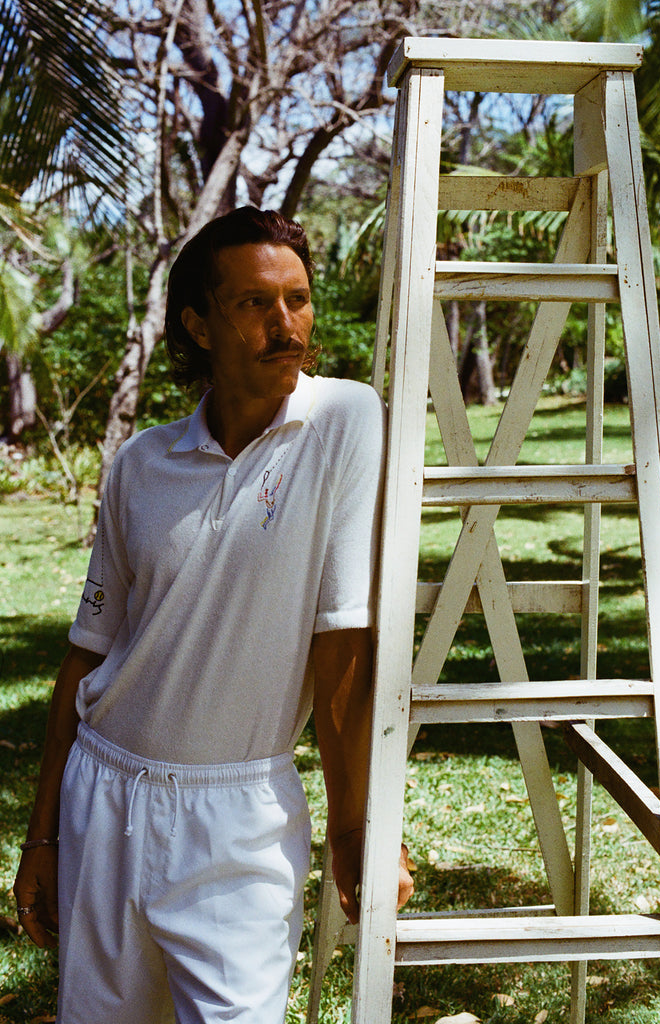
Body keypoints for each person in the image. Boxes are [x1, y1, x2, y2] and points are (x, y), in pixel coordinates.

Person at [13, 206, 413, 1023]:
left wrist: (353, 825)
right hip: (106, 794)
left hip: (240, 815)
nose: (285, 323)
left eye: (297, 299)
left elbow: (342, 640)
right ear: (197, 324)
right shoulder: (139, 463)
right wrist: (42, 837)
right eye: (254, 304)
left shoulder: (343, 419)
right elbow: (88, 656)